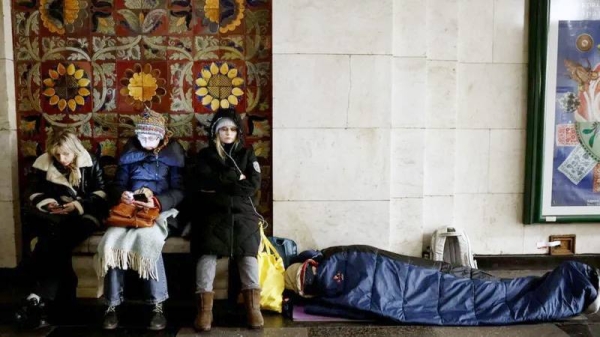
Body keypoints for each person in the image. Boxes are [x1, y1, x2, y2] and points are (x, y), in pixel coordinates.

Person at [285, 245, 600, 325]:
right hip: (429, 278)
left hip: (427, 286)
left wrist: (297, 306)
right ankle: (576, 285)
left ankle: (576, 285)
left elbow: (352, 308)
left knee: (503, 297)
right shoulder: (340, 254)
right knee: (502, 293)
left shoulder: (333, 277)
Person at [95, 108, 185, 331]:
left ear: (162, 136)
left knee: (148, 239)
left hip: (161, 210)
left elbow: (180, 190)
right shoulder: (130, 153)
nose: (147, 142)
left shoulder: (172, 154)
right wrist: (122, 194)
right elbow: (117, 184)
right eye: (143, 137)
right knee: (111, 241)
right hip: (129, 210)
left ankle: (157, 305)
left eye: (152, 138)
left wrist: (157, 201)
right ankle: (112, 304)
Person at [15, 129, 108, 329]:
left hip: (86, 215)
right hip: (55, 217)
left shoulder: (89, 162)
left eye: (66, 154)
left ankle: (36, 297)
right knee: (56, 243)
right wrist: (48, 204)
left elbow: (101, 195)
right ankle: (56, 306)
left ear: (74, 150)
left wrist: (77, 205)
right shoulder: (44, 163)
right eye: (57, 154)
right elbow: (33, 191)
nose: (62, 158)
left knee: (52, 242)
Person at [192, 108, 263, 331]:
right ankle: (204, 311)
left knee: (248, 253)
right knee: (207, 253)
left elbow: (252, 186)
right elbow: (203, 182)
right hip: (213, 212)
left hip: (243, 213)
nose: (228, 133)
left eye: (232, 129)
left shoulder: (247, 154)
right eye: (223, 129)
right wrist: (235, 176)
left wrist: (223, 183)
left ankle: (253, 309)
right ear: (215, 131)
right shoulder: (205, 156)